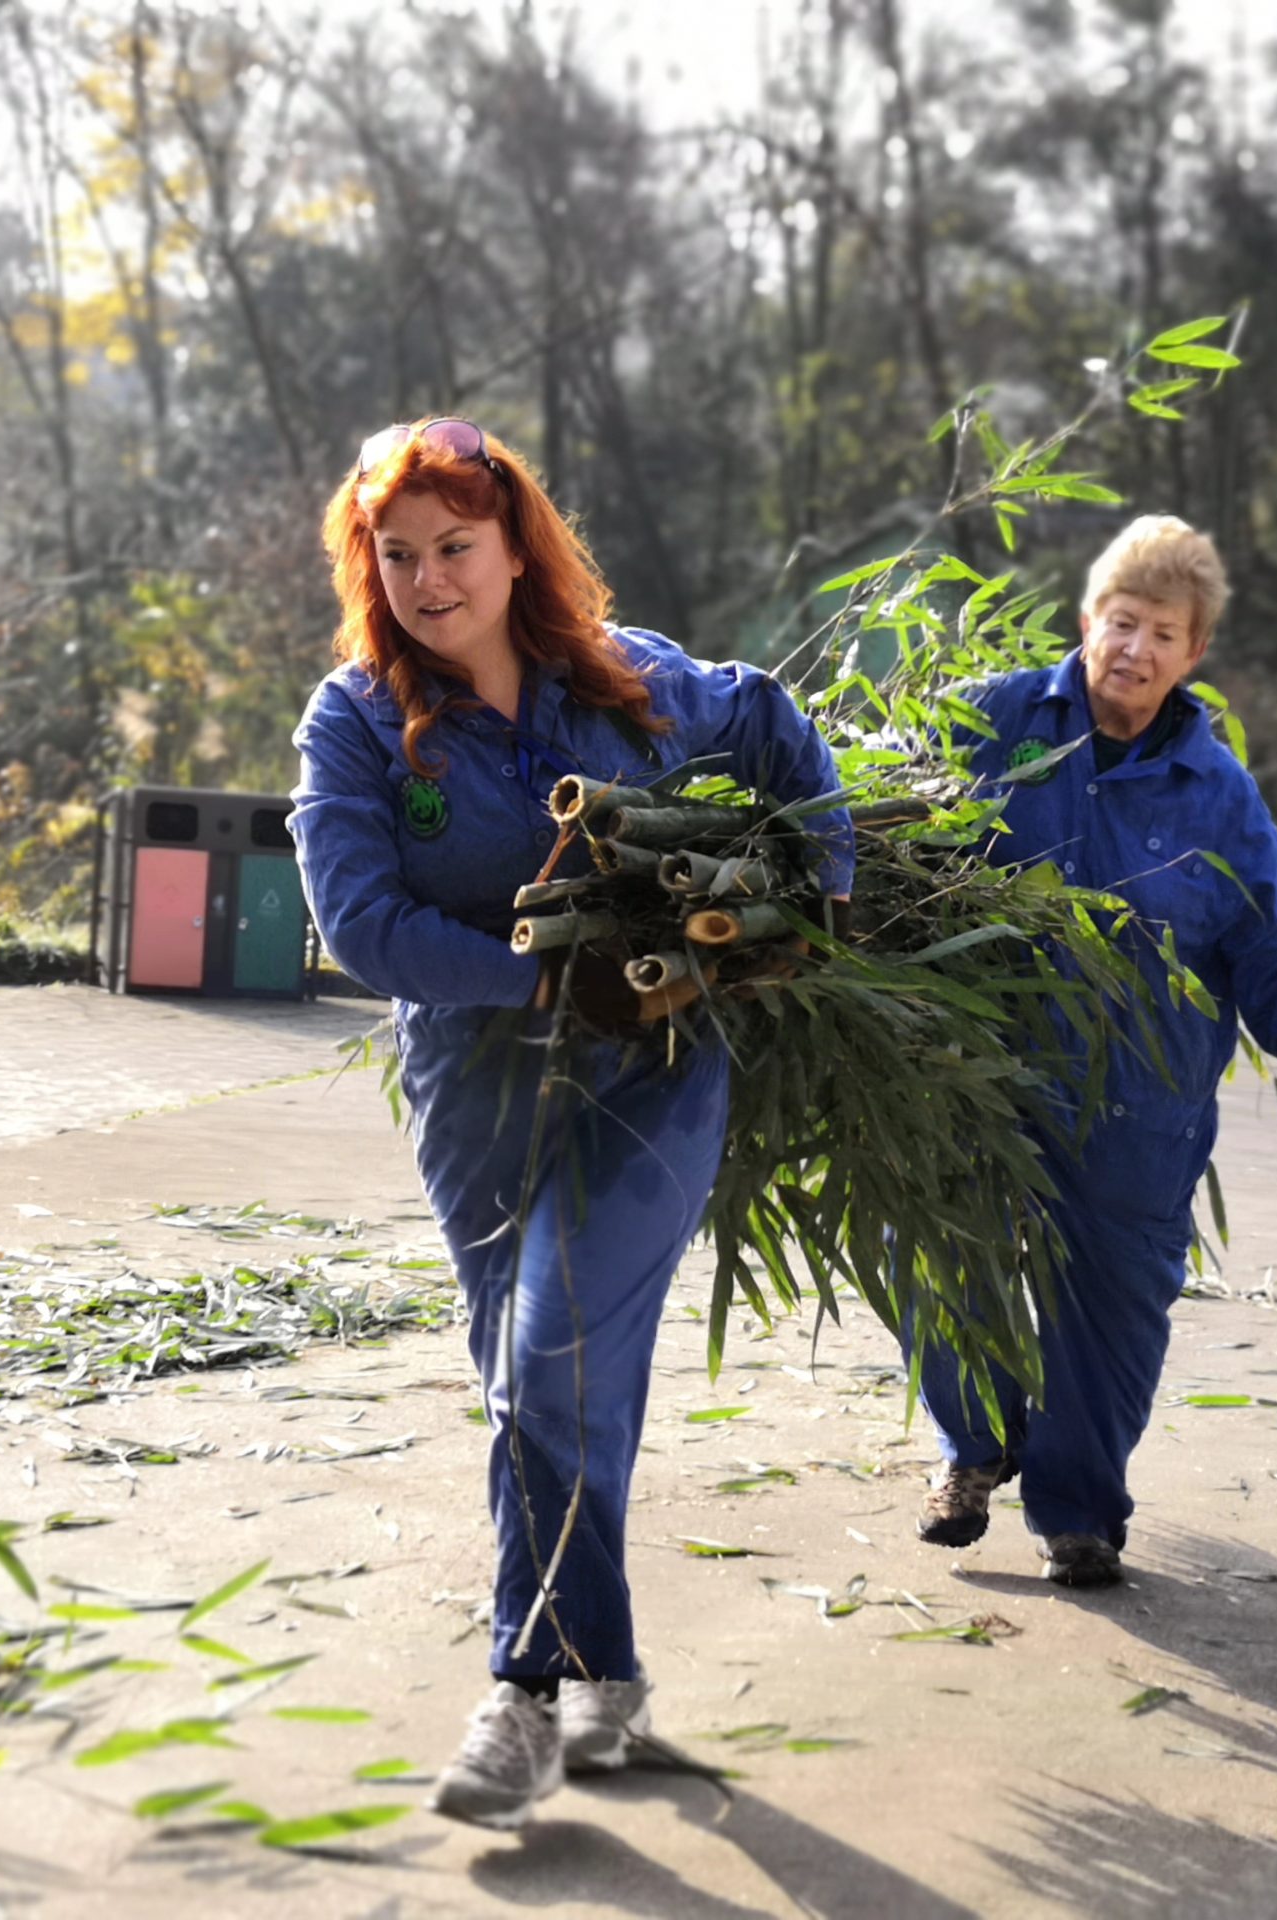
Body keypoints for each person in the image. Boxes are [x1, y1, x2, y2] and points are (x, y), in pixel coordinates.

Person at [288, 417, 854, 1829]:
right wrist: (537, 973)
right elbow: (361, 924)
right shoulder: (357, 721)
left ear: (514, 544)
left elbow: (776, 724)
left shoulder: (630, 682)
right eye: (398, 554)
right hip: (477, 1088)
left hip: (655, 1070)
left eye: (455, 548)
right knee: (537, 1379)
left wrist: (821, 890)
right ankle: (605, 1676)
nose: (428, 580)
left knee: (556, 1348)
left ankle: (524, 1694)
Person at [909, 513, 1277, 1588]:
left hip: (1137, 1094)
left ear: (1193, 652)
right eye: (1120, 623)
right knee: (934, 1248)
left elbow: (1271, 939)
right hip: (973, 1064)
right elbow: (879, 828)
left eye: (1162, 633)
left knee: (1113, 1308)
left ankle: (1075, 1509)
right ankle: (975, 1446)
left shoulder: (1217, 795)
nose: (1134, 650)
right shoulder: (987, 723)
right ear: (1086, 620)